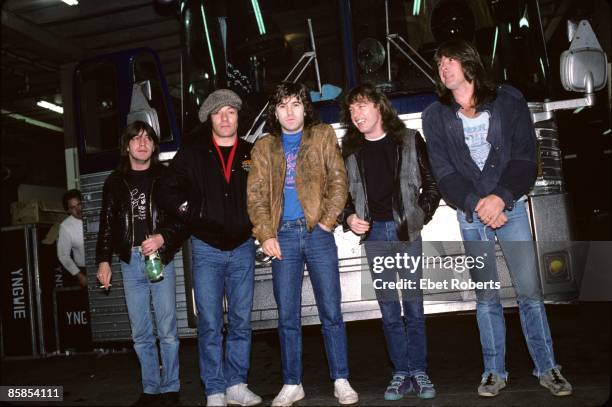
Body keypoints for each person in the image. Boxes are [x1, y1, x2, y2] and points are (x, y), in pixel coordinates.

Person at [422, 39, 573, 397]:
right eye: (440, 63)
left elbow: (525, 159)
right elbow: (444, 175)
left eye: (451, 59)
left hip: (511, 209)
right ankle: (494, 371)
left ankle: (548, 367)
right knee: (487, 297)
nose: (444, 67)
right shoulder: (435, 115)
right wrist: (479, 205)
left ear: (469, 63)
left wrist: (501, 199)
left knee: (530, 293)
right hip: (471, 214)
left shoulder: (509, 101)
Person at [247, 82, 358, 406]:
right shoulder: (264, 146)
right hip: (282, 237)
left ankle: (341, 378)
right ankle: (292, 382)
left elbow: (339, 180)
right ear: (275, 111)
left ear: (304, 107)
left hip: (317, 233)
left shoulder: (321, 135)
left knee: (331, 311)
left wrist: (326, 222)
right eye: (283, 105)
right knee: (287, 316)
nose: (290, 111)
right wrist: (266, 234)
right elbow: (255, 196)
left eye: (296, 103)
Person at [158, 89, 261, 407]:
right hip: (206, 249)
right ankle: (214, 390)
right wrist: (192, 212)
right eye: (219, 113)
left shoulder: (250, 152)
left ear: (238, 116)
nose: (226, 118)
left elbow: (266, 193)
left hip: (243, 246)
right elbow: (165, 189)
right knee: (211, 322)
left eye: (231, 111)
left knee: (242, 320)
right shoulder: (193, 153)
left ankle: (237, 384)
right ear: (209, 118)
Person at [340, 83, 440, 400]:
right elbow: (340, 193)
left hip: (405, 232)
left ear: (379, 107)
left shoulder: (409, 140)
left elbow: (432, 185)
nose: (356, 114)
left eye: (362, 106)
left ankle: (419, 370)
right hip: (375, 236)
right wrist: (347, 217)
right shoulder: (350, 149)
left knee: (413, 305)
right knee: (388, 309)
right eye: (352, 109)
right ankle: (400, 371)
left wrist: (419, 215)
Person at [96, 121, 184, 406]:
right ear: (127, 146)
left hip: (159, 258)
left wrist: (162, 238)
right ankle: (151, 389)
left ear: (154, 146)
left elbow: (182, 220)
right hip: (130, 262)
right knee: (141, 333)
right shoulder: (114, 182)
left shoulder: (167, 177)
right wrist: (103, 262)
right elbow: (106, 226)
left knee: (167, 329)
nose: (142, 143)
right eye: (136, 138)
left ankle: (171, 388)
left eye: (148, 138)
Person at [57, 189, 87, 288]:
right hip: (84, 270)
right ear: (68, 210)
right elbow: (63, 255)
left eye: (79, 204)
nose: (78, 210)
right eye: (73, 207)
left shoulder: (99, 216)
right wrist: (80, 276)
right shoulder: (65, 227)